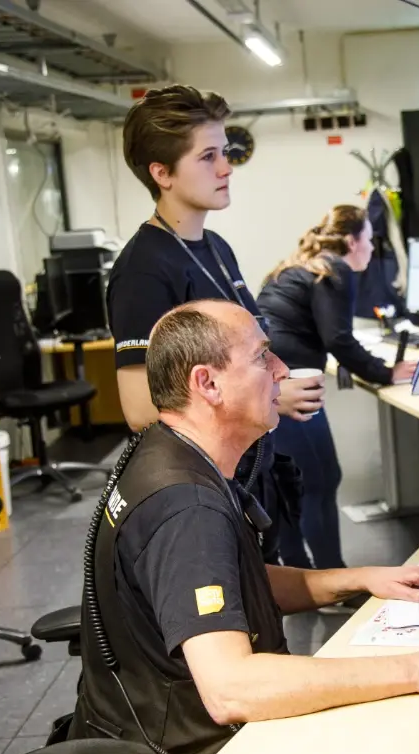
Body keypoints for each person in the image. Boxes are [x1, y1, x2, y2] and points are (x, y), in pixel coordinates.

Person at [69, 300, 419, 754]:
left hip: (148, 727)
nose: (281, 370)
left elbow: (225, 582)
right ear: (207, 384)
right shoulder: (187, 510)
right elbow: (231, 688)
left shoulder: (169, 454)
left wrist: (359, 578)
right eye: (262, 356)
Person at [105, 84, 321, 565]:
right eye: (208, 157)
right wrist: (266, 396)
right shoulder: (144, 270)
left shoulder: (216, 249)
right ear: (161, 173)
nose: (226, 168)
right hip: (206, 491)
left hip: (251, 474)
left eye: (224, 153)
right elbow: (140, 408)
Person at [256, 205, 416, 575]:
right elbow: (339, 340)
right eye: (369, 240)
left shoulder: (302, 265)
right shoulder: (335, 269)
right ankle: (332, 577)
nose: (372, 249)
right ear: (351, 241)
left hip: (269, 378)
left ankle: (298, 571)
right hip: (292, 384)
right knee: (320, 479)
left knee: (290, 482)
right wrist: (386, 373)